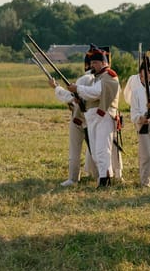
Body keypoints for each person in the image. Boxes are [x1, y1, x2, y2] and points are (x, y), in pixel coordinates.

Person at [68, 46, 121, 187]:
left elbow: (96, 92)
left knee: (102, 149)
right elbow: (90, 94)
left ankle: (105, 180)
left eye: (96, 63)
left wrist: (78, 88)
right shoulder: (97, 78)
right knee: (97, 152)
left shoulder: (109, 75)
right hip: (94, 118)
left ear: (104, 63)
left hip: (103, 116)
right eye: (92, 63)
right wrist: (79, 96)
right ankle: (105, 177)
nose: (93, 65)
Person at [49, 49, 97, 186]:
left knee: (75, 151)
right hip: (93, 120)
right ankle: (99, 176)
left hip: (80, 120)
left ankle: (73, 178)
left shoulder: (84, 79)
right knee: (96, 151)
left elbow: (69, 97)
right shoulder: (100, 80)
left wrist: (56, 87)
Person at [130, 61, 150, 187]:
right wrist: (140, 118)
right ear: (140, 74)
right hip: (143, 123)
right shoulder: (136, 92)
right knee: (146, 155)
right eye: (145, 72)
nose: (148, 74)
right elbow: (133, 113)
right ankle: (145, 182)